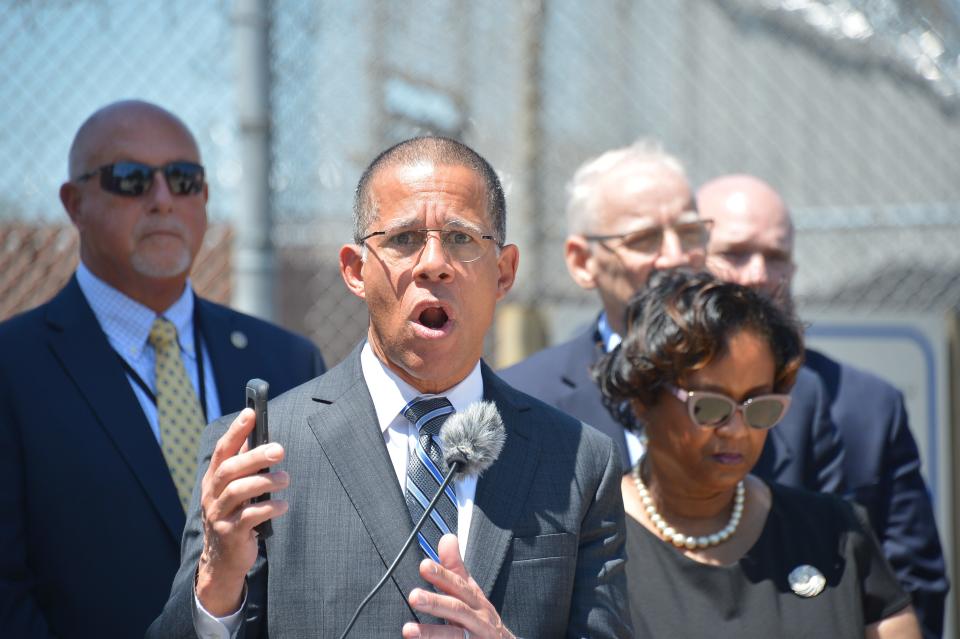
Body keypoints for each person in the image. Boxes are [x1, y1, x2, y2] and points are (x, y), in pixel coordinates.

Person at [147, 136, 630, 638]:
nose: (433, 262)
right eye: (404, 239)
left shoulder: (577, 460)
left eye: (462, 239)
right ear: (356, 271)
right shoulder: (260, 452)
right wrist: (217, 583)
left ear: (504, 272)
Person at [0, 100, 326, 638]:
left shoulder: (287, 361)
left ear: (203, 196)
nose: (161, 200)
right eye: (129, 179)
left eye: (182, 178)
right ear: (74, 203)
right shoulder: (14, 371)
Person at [501, 140, 845, 496]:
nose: (675, 257)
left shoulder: (787, 395)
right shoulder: (522, 401)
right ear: (582, 261)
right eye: (644, 239)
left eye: (689, 233)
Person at [595, 269, 921, 638]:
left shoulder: (837, 535)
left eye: (759, 407)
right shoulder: (588, 543)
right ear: (642, 397)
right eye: (709, 406)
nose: (737, 429)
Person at [698, 174, 949, 638]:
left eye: (775, 257)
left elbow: (915, 586)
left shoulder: (866, 408)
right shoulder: (649, 402)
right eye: (734, 253)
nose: (756, 274)